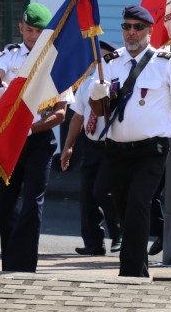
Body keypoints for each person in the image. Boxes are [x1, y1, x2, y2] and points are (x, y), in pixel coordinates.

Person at [89, 5, 171, 278]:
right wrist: (96, 94)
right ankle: (138, 271)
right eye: (126, 27)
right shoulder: (110, 63)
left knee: (137, 204)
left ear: (150, 30)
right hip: (117, 150)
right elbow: (99, 111)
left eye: (138, 27)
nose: (131, 33)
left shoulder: (167, 63)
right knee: (124, 211)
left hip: (150, 151)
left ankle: (129, 274)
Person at [0, 2, 71, 272]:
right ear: (21, 27)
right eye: (30, 30)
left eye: (40, 32)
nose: (33, 37)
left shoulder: (56, 63)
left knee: (32, 205)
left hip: (39, 141)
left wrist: (31, 128)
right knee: (3, 205)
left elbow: (60, 113)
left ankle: (25, 266)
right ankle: (10, 262)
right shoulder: (9, 56)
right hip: (8, 140)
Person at [60, 40, 122, 257]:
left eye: (105, 59)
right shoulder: (87, 83)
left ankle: (118, 232)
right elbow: (78, 116)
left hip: (111, 144)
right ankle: (94, 243)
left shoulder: (117, 83)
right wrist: (68, 146)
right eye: (97, 59)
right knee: (87, 194)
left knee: (102, 190)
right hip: (90, 144)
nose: (100, 64)